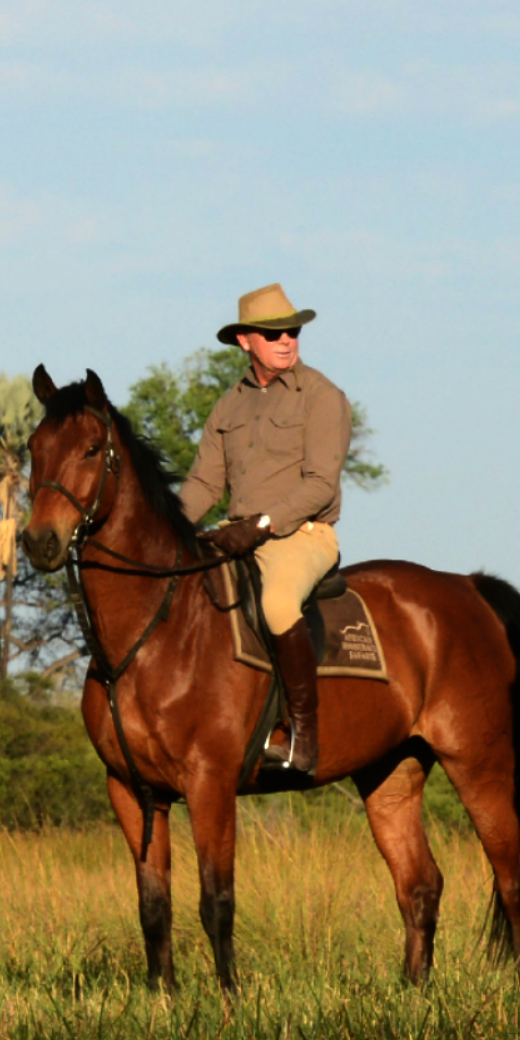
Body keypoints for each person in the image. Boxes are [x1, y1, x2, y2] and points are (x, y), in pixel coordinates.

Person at [178, 284, 351, 779]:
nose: (286, 340)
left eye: (292, 330)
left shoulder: (322, 396)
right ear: (244, 342)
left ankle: (303, 737)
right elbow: (205, 482)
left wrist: (263, 525)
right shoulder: (227, 407)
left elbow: (321, 484)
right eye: (273, 333)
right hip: (236, 533)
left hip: (300, 535)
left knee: (276, 604)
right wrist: (169, 531)